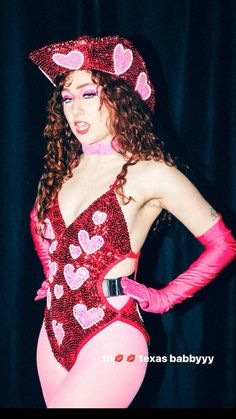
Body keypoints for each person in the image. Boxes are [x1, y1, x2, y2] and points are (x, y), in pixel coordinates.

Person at [28, 35, 236, 408]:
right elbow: (37, 219)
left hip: (111, 337)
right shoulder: (65, 166)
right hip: (51, 333)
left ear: (121, 97)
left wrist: (164, 297)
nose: (76, 110)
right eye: (67, 97)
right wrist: (52, 270)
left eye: (89, 95)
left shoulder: (150, 173)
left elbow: (223, 244)